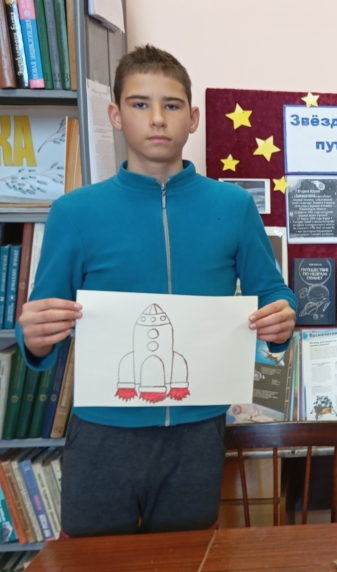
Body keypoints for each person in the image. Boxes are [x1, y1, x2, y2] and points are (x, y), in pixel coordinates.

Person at [15, 45, 297, 537]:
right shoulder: (74, 212)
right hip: (102, 432)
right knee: (95, 562)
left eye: (171, 105)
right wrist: (34, 337)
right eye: (140, 104)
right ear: (115, 115)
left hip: (198, 430)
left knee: (187, 558)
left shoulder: (232, 206)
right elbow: (40, 321)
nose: (157, 118)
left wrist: (282, 317)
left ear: (193, 118)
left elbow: (273, 292)